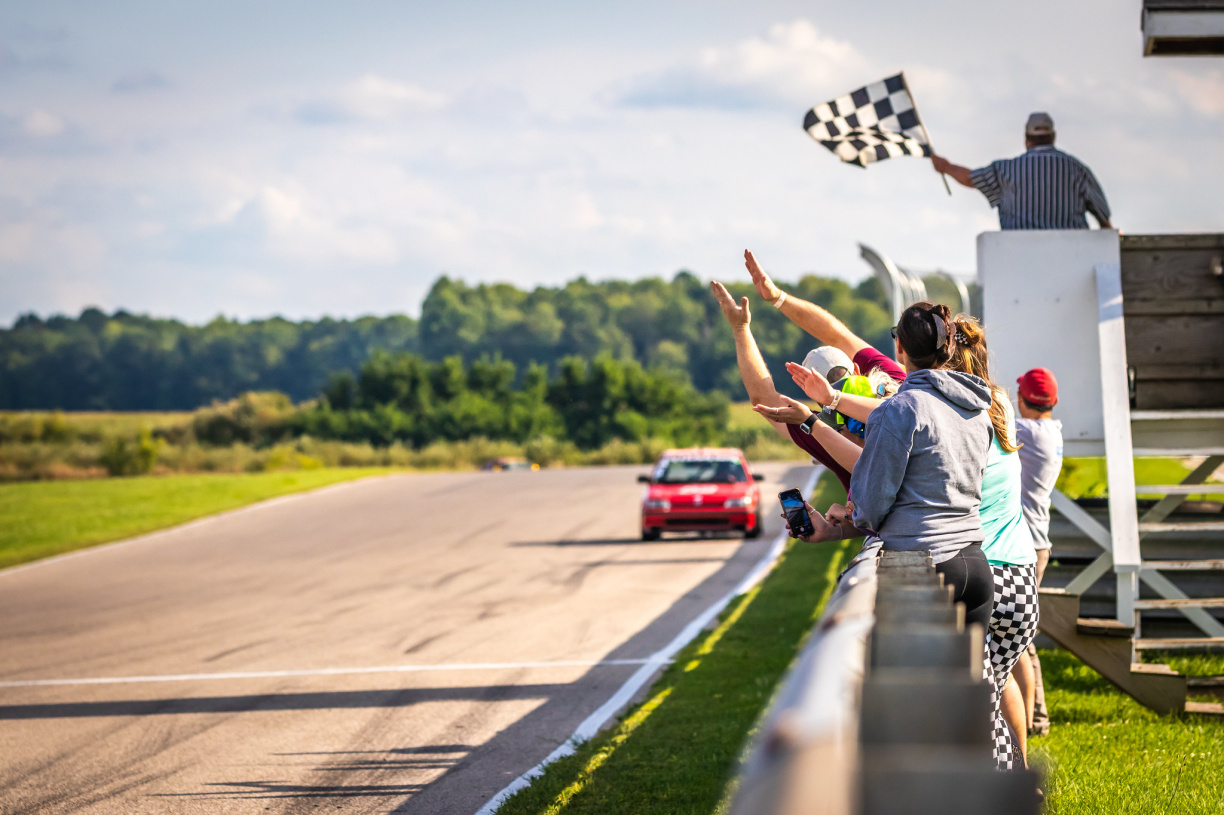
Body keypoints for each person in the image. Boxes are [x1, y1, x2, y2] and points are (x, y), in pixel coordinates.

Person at [787, 313, 1039, 771]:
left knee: (918, 705)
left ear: (900, 350)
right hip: (974, 563)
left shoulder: (898, 410)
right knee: (980, 695)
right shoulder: (977, 404)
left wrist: (849, 517)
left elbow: (873, 498)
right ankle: (1004, 781)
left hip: (923, 567)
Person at [930, 112, 1112, 231]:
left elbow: (970, 179)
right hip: (1074, 259)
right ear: (1053, 138)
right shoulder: (1078, 170)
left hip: (1017, 259)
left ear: (1026, 140)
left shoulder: (1003, 170)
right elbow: (1104, 220)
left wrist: (946, 167)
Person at [1014, 367, 1064, 738]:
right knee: (1024, 633)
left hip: (1026, 542)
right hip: (1038, 539)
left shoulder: (1027, 432)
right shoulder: (1052, 431)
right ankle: (1037, 716)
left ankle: (1036, 718)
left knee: (1021, 635)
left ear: (1022, 398)